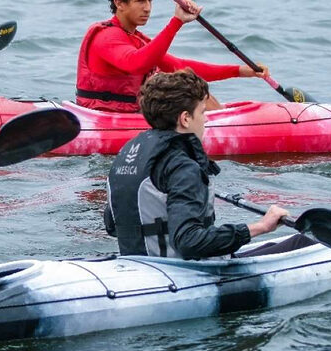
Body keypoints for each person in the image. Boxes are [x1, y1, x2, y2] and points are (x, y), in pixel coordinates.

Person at [106, 69, 314, 259]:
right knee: (309, 241)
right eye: (202, 112)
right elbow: (189, 243)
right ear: (185, 118)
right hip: (182, 271)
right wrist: (260, 227)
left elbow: (112, 226)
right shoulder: (183, 166)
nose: (205, 120)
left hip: (136, 262)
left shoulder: (129, 153)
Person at [76, 0, 272, 112]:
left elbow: (178, 65)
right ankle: (224, 128)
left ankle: (221, 121)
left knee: (194, 87)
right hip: (103, 114)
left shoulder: (136, 38)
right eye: (140, 1)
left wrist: (240, 71)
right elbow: (135, 63)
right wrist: (176, 22)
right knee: (194, 93)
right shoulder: (106, 37)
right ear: (119, 3)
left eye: (150, 0)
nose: (147, 8)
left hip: (130, 112)